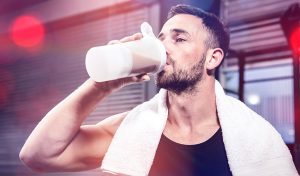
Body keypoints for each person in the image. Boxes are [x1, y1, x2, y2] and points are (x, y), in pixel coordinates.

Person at [19, 4, 297, 176]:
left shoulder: (255, 138)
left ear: (213, 58)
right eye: (161, 38)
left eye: (179, 39)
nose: (164, 47)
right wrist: (101, 85)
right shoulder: (130, 130)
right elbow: (38, 156)